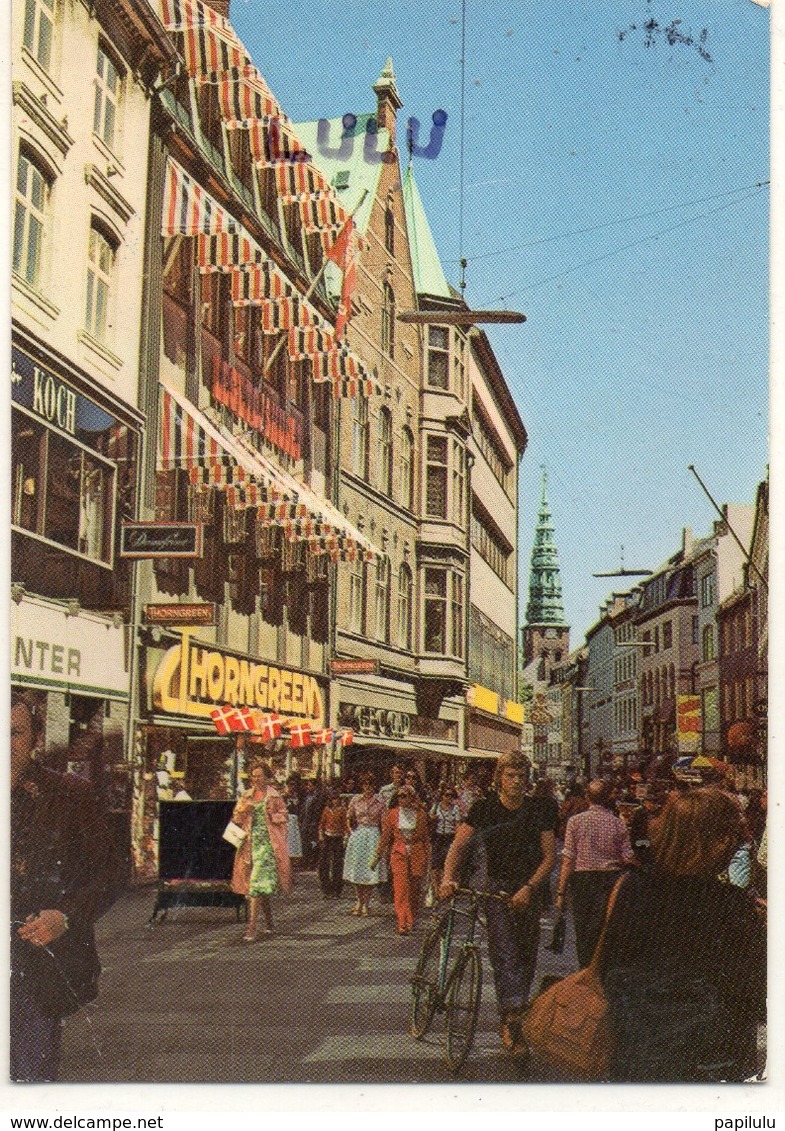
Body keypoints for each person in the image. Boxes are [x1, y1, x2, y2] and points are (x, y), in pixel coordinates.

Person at [598, 787, 766, 1082]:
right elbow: (751, 992)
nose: (735, 846)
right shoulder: (731, 904)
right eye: (733, 839)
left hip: (637, 1050)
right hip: (709, 1060)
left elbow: (610, 965)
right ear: (715, 842)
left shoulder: (632, 886)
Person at [11, 691, 118, 1081]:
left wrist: (65, 916)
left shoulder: (71, 796)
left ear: (35, 739)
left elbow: (110, 874)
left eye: (13, 734)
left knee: (28, 1081)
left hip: (31, 970)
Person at [440, 753, 556, 1057]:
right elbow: (459, 845)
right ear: (499, 778)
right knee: (505, 951)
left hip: (528, 889)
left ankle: (514, 1011)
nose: (516, 782)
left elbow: (548, 856)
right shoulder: (485, 807)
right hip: (496, 888)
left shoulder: (539, 809)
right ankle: (513, 1020)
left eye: (521, 776)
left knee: (526, 953)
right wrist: (447, 877)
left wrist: (530, 887)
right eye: (510, 776)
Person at [554, 778, 636, 967]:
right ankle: (602, 971)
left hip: (583, 880)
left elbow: (568, 859)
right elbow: (627, 857)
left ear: (587, 798)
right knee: (605, 930)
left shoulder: (575, 822)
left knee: (584, 930)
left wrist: (561, 892)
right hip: (610, 880)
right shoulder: (617, 823)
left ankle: (585, 970)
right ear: (608, 798)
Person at [230, 762, 291, 941]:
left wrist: (272, 816)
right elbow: (236, 817)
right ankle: (269, 922)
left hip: (268, 845)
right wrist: (244, 809)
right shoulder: (246, 795)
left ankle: (251, 928)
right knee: (258, 883)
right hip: (249, 843)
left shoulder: (274, 795)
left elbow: (285, 815)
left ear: (267, 777)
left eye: (260, 775)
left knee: (256, 883)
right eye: (254, 776)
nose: (256, 779)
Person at [371, 785, 430, 935]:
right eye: (399, 796)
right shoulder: (392, 814)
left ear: (411, 797)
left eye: (404, 796)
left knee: (414, 888)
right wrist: (377, 856)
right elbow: (385, 836)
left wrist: (428, 859)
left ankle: (411, 918)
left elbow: (425, 838)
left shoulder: (420, 814)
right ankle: (403, 922)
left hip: (416, 851)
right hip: (399, 852)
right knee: (401, 888)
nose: (401, 799)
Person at [342, 773, 386, 916]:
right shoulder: (355, 800)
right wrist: (351, 832)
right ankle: (359, 901)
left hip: (373, 834)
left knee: (370, 869)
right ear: (362, 786)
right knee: (357, 868)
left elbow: (384, 822)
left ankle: (366, 903)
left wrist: (383, 840)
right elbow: (348, 817)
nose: (368, 788)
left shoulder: (380, 801)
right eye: (365, 784)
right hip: (359, 834)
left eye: (371, 784)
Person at [429, 785, 463, 894]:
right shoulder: (436, 806)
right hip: (438, 837)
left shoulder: (455, 808)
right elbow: (430, 817)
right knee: (435, 865)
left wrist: (458, 840)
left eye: (451, 795)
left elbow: (457, 825)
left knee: (448, 863)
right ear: (442, 796)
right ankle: (436, 890)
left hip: (450, 837)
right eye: (446, 795)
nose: (449, 797)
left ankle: (448, 890)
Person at [317, 790, 348, 898]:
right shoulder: (326, 810)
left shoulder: (343, 810)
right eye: (333, 799)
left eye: (337, 799)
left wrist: (345, 838)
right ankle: (326, 889)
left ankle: (337, 890)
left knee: (337, 864)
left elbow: (345, 825)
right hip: (327, 837)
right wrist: (321, 835)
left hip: (338, 837)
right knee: (324, 864)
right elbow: (322, 823)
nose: (335, 801)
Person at [283, 775, 303, 865]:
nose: (292, 787)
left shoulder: (297, 796)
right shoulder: (283, 796)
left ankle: (293, 858)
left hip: (295, 819)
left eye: (294, 785)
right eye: (290, 785)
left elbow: (299, 809)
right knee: (287, 839)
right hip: (286, 819)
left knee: (294, 839)